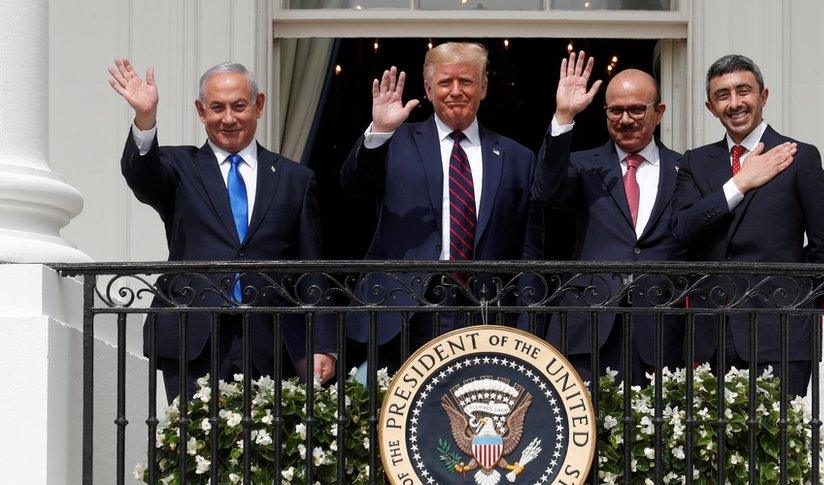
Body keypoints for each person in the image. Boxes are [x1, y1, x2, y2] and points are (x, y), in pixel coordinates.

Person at [669, 54, 824, 485]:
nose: (735, 103)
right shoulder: (696, 163)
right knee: (713, 454)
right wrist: (739, 182)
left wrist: (791, 301)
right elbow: (681, 231)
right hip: (709, 336)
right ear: (710, 106)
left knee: (780, 454)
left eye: (743, 91)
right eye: (723, 95)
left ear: (763, 96)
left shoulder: (799, 156)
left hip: (779, 334)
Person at [109, 59, 336, 402]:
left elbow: (311, 270)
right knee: (192, 449)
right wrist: (145, 119)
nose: (228, 118)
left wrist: (321, 344)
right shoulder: (178, 167)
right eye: (217, 107)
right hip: (195, 335)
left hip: (272, 340)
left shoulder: (294, 179)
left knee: (266, 452)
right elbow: (142, 176)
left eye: (239, 106)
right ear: (201, 111)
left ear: (258, 106)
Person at [339, 42, 542, 370]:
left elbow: (529, 252)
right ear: (429, 90)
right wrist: (378, 132)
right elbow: (354, 186)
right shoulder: (395, 140)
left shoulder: (518, 158)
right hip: (404, 312)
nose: (456, 91)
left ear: (484, 87)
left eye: (467, 81)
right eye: (446, 83)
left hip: (485, 313)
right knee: (397, 416)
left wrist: (527, 327)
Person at [532, 52, 685, 384]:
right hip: (590, 325)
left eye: (636, 109)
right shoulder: (585, 165)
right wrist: (564, 115)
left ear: (658, 113)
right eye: (615, 110)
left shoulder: (685, 169)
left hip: (660, 329)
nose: (625, 119)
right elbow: (545, 190)